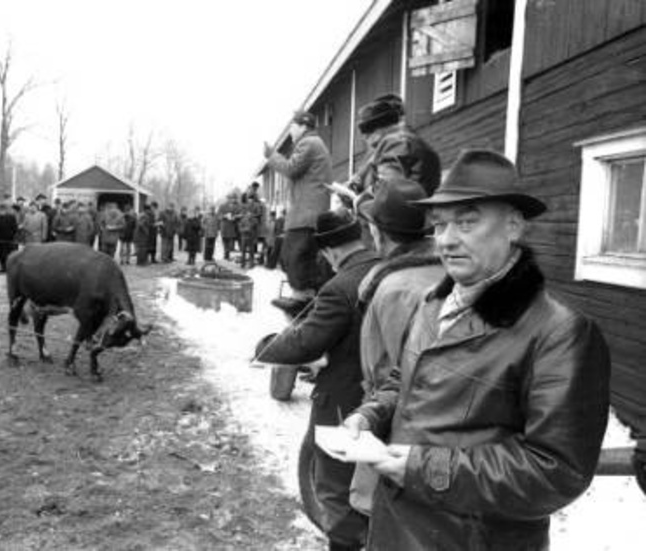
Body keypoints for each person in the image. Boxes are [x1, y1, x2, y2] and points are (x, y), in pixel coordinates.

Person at [343, 149, 611, 550]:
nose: (447, 241)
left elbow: (556, 471)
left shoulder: (560, 332)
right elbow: (406, 380)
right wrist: (372, 414)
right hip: (395, 527)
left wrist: (422, 468)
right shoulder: (433, 303)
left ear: (514, 226)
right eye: (439, 226)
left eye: (467, 222)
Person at [255, 209, 380, 551]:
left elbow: (305, 342)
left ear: (330, 251)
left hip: (344, 401)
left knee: (335, 488)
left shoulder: (340, 286)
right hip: (389, 398)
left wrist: (265, 349)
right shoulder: (386, 269)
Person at [348, 178, 444, 516]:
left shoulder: (394, 289)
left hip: (398, 431)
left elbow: (395, 374)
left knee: (386, 516)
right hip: (442, 441)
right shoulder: (447, 270)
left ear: (378, 232)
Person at [264, 110, 332, 315]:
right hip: (310, 212)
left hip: (306, 214)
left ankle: (304, 299)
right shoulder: (315, 144)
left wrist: (271, 155)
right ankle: (308, 297)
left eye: (292, 126)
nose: (291, 131)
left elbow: (291, 168)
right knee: (299, 255)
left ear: (303, 126)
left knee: (295, 254)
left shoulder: (308, 143)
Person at [346, 94, 441, 199]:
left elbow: (386, 193)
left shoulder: (396, 143)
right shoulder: (391, 146)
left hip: (399, 211)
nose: (364, 139)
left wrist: (358, 200)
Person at [0, 201, 18, 272]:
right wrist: (12, 235)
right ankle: (9, 268)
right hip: (9, 239)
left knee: (2, 254)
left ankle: (4, 268)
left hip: (0, 239)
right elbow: (15, 228)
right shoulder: (12, 217)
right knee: (8, 254)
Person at [218, 193, 240, 261]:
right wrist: (225, 216)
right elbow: (218, 215)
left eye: (231, 199)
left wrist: (234, 217)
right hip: (224, 225)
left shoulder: (234, 207)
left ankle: (227, 254)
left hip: (231, 226)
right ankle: (226, 254)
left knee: (230, 241)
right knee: (224, 240)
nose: (230, 200)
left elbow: (237, 215)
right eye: (229, 198)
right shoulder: (222, 206)